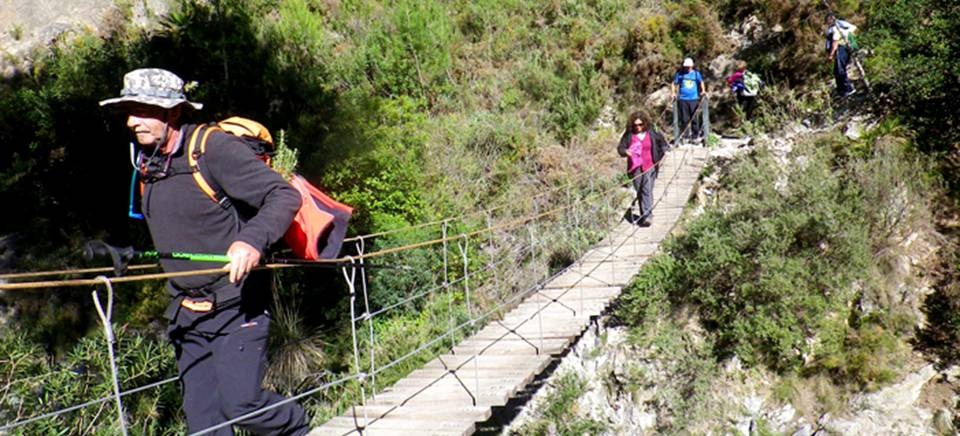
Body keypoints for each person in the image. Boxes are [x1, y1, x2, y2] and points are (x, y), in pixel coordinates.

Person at [99, 68, 309, 435]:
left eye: (144, 110)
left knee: (242, 406)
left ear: (174, 112)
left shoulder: (212, 149)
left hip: (235, 306)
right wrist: (127, 248)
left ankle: (299, 427)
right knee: (204, 425)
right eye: (129, 111)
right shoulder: (146, 164)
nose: (132, 121)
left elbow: (283, 195)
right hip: (185, 314)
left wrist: (251, 240)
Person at [617, 111, 670, 226]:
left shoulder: (652, 132)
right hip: (635, 167)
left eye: (640, 124)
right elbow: (620, 148)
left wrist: (664, 151)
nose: (638, 127)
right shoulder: (629, 135)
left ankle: (647, 216)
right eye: (635, 125)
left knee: (647, 189)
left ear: (645, 123)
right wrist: (626, 152)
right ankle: (643, 214)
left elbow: (662, 142)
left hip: (650, 165)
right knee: (639, 190)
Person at [672, 57, 706, 144]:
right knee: (684, 118)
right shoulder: (680, 74)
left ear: (692, 66)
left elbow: (701, 82)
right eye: (686, 66)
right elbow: (674, 83)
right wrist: (673, 93)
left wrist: (703, 91)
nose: (687, 68)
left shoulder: (695, 74)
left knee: (694, 118)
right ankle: (686, 136)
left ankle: (695, 136)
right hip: (683, 99)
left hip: (693, 99)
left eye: (688, 67)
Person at [826, 13, 857, 97]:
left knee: (839, 70)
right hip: (843, 50)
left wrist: (831, 55)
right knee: (837, 70)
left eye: (828, 20)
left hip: (841, 49)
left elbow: (835, 42)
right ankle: (842, 91)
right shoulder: (838, 29)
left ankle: (848, 88)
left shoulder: (835, 29)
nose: (827, 22)